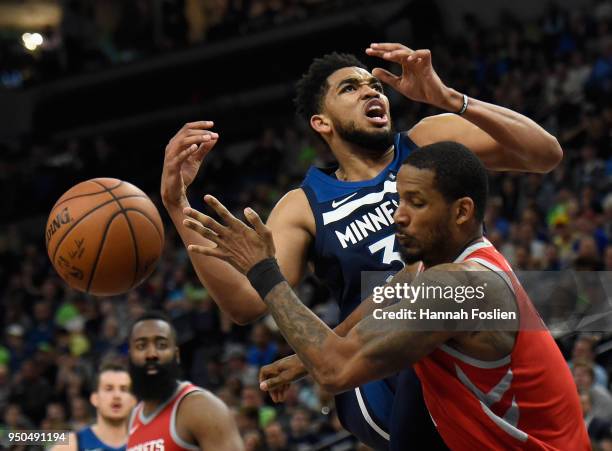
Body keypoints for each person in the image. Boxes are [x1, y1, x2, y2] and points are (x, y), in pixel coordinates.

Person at [161, 42, 563, 449]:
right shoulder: (304, 204)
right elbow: (246, 302)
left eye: (374, 84)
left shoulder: (427, 143)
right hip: (374, 371)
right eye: (350, 88)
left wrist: (449, 99)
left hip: (454, 333)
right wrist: (178, 207)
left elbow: (544, 154)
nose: (372, 91)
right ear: (322, 123)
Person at [183, 141, 589, 450]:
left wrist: (263, 269)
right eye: (398, 200)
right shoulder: (438, 266)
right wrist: (309, 355)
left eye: (416, 202)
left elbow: (336, 372)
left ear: (462, 212)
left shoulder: (460, 288)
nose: (398, 215)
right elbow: (394, 287)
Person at [126, 311, 243, 451]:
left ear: (176, 355)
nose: (151, 354)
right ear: (130, 356)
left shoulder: (202, 407)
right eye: (141, 346)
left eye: (161, 345)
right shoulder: (131, 418)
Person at [51, 361, 136, 451]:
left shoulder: (146, 443)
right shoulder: (73, 443)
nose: (116, 395)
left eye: (123, 389)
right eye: (109, 389)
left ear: (133, 400)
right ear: (95, 399)